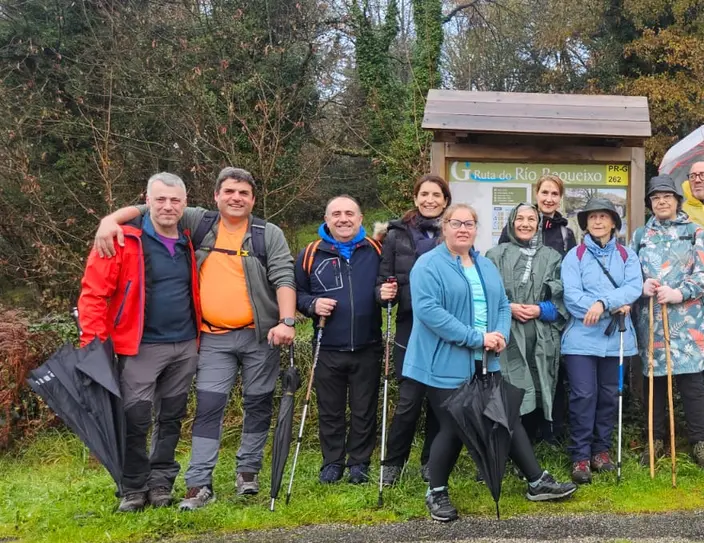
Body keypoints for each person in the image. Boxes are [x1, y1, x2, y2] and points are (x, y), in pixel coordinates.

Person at [93, 167, 296, 511]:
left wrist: (287, 321)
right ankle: (199, 483)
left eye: (243, 193)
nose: (235, 198)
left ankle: (248, 473)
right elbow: (147, 209)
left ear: (253, 199)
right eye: (229, 191)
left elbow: (284, 276)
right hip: (212, 338)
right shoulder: (198, 221)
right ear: (215, 196)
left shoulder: (268, 233)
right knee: (208, 409)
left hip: (260, 338)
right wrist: (109, 220)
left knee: (258, 404)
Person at [405, 204, 577, 521]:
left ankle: (536, 482)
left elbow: (499, 304)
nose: (463, 229)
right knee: (455, 425)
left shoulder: (484, 265)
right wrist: (476, 338)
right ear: (444, 227)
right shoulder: (428, 266)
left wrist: (498, 333)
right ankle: (436, 491)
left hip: (485, 359)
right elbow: (430, 313)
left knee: (505, 418)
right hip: (443, 362)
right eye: (456, 223)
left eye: (469, 224)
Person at [78, 173, 202, 512]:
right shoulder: (121, 239)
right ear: (146, 201)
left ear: (184, 204)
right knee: (135, 418)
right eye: (160, 199)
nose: (167, 206)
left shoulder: (189, 240)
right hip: (139, 347)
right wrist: (93, 346)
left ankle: (161, 483)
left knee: (172, 417)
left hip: (185, 344)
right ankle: (133, 487)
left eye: (175, 200)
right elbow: (93, 295)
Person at [295, 195, 392, 485]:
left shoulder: (375, 250)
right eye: (336, 214)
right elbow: (297, 293)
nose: (343, 219)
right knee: (330, 408)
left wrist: (383, 294)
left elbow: (382, 287)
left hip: (368, 344)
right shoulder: (310, 253)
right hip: (327, 346)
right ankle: (333, 461)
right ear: (326, 220)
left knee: (364, 408)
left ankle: (359, 462)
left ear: (360, 218)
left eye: (349, 213)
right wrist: (312, 305)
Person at [633, 175, 704, 472]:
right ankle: (655, 440)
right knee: (654, 384)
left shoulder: (694, 232)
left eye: (667, 196)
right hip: (652, 321)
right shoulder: (639, 235)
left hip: (689, 322)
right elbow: (629, 274)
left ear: (677, 201)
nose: (662, 201)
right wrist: (641, 286)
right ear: (650, 203)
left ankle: (700, 440)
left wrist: (680, 292)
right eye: (656, 197)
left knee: (692, 384)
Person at [559, 197, 642, 484]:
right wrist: (602, 305)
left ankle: (601, 451)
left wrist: (603, 302)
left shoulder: (626, 255)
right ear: (585, 223)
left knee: (610, 395)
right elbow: (571, 296)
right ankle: (580, 456)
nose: (597, 221)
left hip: (617, 338)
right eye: (592, 217)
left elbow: (634, 286)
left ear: (613, 222)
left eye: (603, 217)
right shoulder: (575, 256)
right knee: (584, 395)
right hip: (581, 339)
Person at [378, 174, 450, 486]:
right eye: (424, 194)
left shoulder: (452, 234)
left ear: (445, 200)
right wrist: (383, 293)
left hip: (445, 328)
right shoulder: (396, 235)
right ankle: (394, 462)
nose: (430, 200)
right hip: (410, 324)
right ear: (415, 197)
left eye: (436, 195)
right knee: (409, 400)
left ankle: (431, 462)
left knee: (438, 400)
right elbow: (382, 281)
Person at [485, 203, 567, 442]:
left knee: (536, 385)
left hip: (539, 339)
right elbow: (483, 297)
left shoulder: (552, 257)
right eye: (520, 219)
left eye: (531, 219)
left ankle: (529, 446)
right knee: (507, 390)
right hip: (505, 336)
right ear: (511, 222)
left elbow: (561, 302)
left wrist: (538, 309)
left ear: (538, 225)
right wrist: (507, 307)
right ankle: (501, 447)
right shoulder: (495, 255)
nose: (525, 224)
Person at [499, 174, 577, 255]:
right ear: (536, 194)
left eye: (554, 194)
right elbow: (501, 258)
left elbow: (570, 265)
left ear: (560, 198)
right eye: (544, 193)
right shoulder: (515, 227)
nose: (549, 199)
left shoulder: (566, 234)